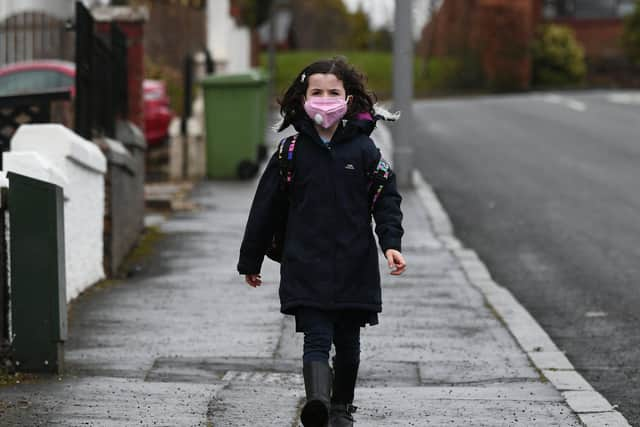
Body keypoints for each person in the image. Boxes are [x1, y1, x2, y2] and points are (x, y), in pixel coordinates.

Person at [237, 57, 406, 427]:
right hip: (306, 264)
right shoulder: (290, 153)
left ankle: (341, 407)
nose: (325, 99)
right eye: (317, 92)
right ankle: (318, 403)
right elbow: (264, 208)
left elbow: (385, 197)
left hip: (354, 265)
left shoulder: (365, 151)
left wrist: (390, 242)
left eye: (334, 92)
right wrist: (250, 261)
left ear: (349, 99)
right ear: (302, 98)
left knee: (348, 343)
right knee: (316, 335)